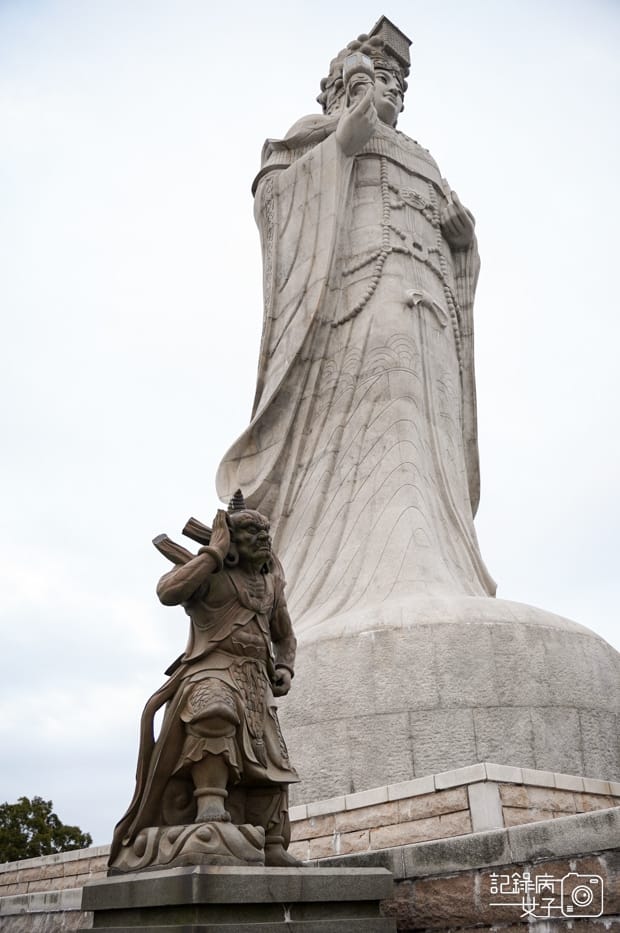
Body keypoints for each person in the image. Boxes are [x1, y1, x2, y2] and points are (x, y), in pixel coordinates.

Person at [217, 17, 495, 639]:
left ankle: (442, 570)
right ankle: (373, 581)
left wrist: (463, 244)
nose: (391, 88)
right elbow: (273, 203)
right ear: (340, 89)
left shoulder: (423, 158)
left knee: (428, 438)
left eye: (398, 81)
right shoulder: (314, 136)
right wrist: (343, 141)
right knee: (377, 433)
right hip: (358, 309)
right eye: (379, 77)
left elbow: (459, 249)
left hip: (429, 312)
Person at [109, 496, 300, 870]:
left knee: (273, 759)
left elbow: (285, 635)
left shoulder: (270, 582)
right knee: (214, 712)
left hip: (255, 678)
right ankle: (209, 805)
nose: (262, 537)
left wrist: (286, 668)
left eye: (265, 531)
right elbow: (167, 592)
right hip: (209, 669)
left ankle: (273, 843)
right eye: (251, 530)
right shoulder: (208, 573)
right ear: (229, 536)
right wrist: (213, 554)